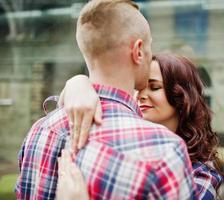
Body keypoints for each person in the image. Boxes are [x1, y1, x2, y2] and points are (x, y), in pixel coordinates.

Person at [15, 0, 197, 199]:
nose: (149, 54)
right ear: (137, 51)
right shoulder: (164, 152)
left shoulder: (40, 131)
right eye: (149, 46)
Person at [56, 53, 223, 199]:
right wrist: (78, 82)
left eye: (154, 87)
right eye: (138, 88)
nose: (141, 95)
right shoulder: (128, 144)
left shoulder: (201, 176)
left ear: (182, 97)